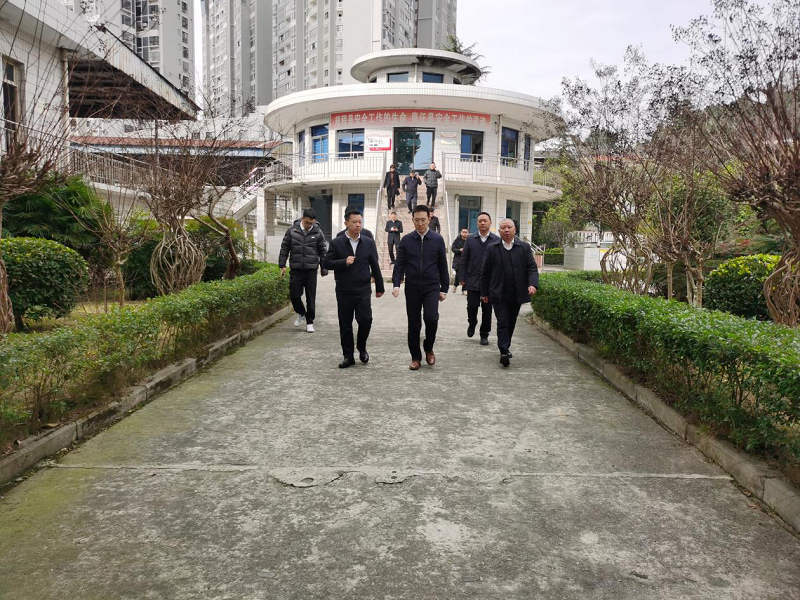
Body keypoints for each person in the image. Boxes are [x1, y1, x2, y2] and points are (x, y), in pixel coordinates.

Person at [324, 208, 385, 368]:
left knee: (366, 319)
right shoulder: (337, 242)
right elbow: (327, 263)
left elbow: (374, 264)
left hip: (363, 289)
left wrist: (380, 286)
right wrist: (343, 262)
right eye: (354, 222)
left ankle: (361, 347)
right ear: (346, 223)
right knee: (345, 324)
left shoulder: (368, 242)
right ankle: (348, 356)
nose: (358, 225)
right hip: (344, 290)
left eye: (360, 222)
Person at [392, 205, 450, 370]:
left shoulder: (437, 239)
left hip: (431, 287)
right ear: (412, 220)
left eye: (423, 220)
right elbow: (399, 264)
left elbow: (442, 265)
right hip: (412, 288)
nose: (420, 223)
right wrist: (396, 284)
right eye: (417, 220)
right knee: (414, 323)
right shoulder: (406, 240)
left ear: (429, 219)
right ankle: (415, 357)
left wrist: (444, 288)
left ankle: (428, 347)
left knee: (432, 319)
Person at [480, 218, 539, 367]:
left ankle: (506, 346)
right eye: (503, 228)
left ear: (514, 230)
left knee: (511, 322)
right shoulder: (492, 248)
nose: (506, 230)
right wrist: (484, 293)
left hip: (516, 293)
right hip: (498, 293)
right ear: (499, 231)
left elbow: (531, 268)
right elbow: (485, 272)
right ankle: (503, 351)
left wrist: (532, 284)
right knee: (503, 321)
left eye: (509, 227)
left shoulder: (524, 247)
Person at [279, 208, 328, 333]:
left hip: (311, 270)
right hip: (296, 268)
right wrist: (282, 265)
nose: (309, 225)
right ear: (302, 219)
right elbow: (285, 248)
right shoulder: (292, 230)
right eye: (307, 223)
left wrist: (324, 268)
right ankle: (301, 313)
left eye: (311, 223)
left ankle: (310, 322)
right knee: (294, 295)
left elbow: (323, 251)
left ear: (314, 221)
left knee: (311, 297)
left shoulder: (318, 232)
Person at [458, 212, 500, 346]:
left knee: (487, 310)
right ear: (477, 224)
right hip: (473, 280)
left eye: (485, 221)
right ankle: (472, 322)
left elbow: (499, 262)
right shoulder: (470, 239)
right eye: (480, 221)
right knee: (472, 306)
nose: (482, 223)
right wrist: (462, 277)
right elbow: (464, 260)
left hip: (489, 283)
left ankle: (484, 334)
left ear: (490, 223)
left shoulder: (496, 240)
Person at [451, 228, 469, 293]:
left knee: (466, 274)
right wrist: (459, 250)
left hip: (467, 260)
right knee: (459, 274)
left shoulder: (470, 240)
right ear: (461, 232)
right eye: (463, 232)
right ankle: (455, 284)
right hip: (458, 259)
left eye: (466, 232)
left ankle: (464, 289)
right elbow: (453, 248)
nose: (464, 233)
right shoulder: (457, 240)